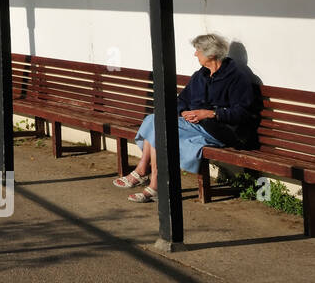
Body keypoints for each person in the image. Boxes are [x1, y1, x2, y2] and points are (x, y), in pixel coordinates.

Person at [112, 33, 261, 202]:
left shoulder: (236, 78)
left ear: (210, 54)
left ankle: (152, 183)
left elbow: (243, 112)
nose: (195, 54)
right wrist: (182, 112)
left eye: (198, 50)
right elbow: (181, 100)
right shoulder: (201, 75)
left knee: (159, 127)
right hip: (196, 125)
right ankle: (145, 175)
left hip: (221, 130)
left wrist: (211, 113)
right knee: (154, 121)